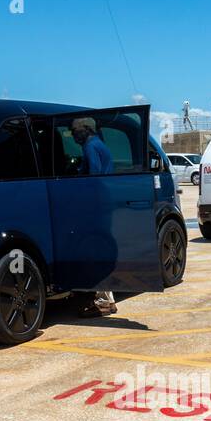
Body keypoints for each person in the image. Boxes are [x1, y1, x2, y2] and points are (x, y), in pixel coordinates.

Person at [70, 117, 117, 316]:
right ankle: (107, 300)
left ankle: (100, 301)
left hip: (95, 206)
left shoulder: (90, 147)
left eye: (75, 131)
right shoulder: (100, 145)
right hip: (105, 203)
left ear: (85, 130)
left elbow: (93, 176)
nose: (73, 135)